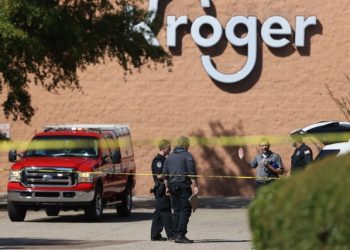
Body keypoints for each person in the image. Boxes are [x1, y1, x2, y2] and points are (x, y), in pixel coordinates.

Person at [162, 136, 199, 244]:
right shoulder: (187, 155)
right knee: (185, 210)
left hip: (172, 186)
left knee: (177, 210)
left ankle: (176, 234)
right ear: (185, 145)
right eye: (188, 144)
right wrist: (195, 186)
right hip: (183, 186)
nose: (189, 146)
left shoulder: (169, 157)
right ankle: (180, 235)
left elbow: (165, 175)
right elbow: (192, 172)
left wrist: (167, 187)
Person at [150, 139, 174, 241]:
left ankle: (155, 235)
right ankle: (172, 235)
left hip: (162, 188)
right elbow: (160, 175)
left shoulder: (164, 159)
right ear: (164, 148)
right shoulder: (158, 160)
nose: (170, 149)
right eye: (169, 147)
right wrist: (168, 183)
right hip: (161, 189)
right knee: (165, 210)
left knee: (159, 212)